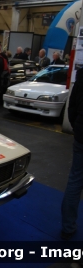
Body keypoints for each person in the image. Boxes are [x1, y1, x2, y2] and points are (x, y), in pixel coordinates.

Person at [61, 67, 83, 241]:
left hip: (81, 136)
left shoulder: (81, 75)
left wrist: (77, 128)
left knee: (75, 181)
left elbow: (73, 105)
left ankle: (67, 227)